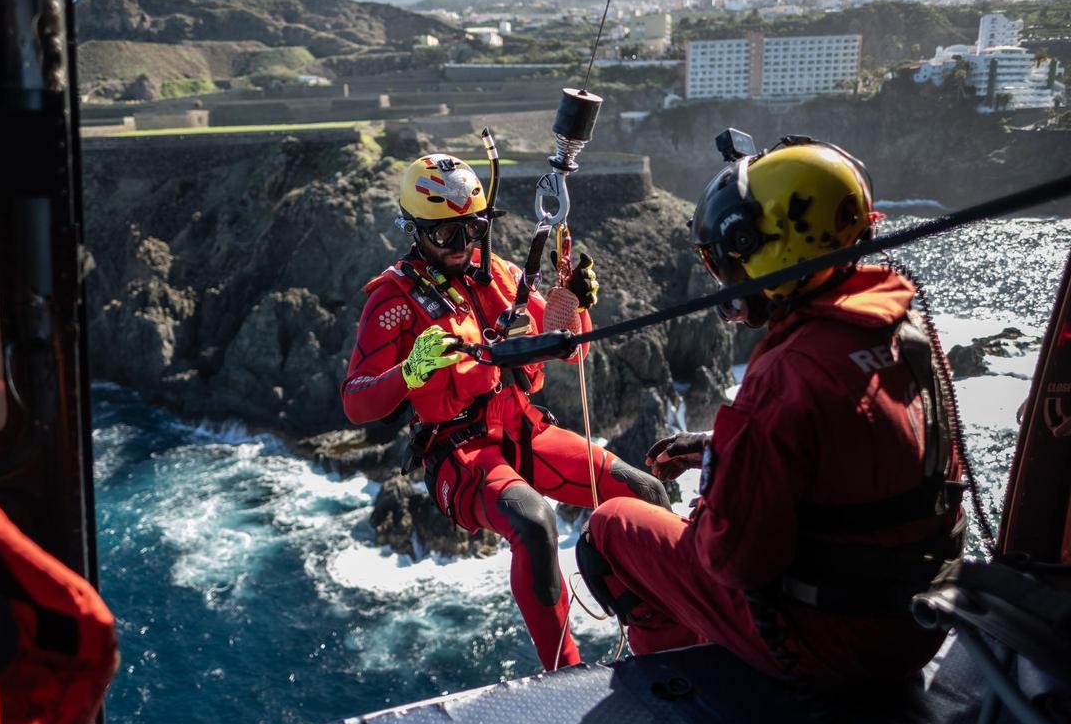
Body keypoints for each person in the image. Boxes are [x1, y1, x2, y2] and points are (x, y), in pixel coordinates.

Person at [576, 137, 966, 687]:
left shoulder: (787, 373)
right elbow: (853, 460)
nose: (727, 285)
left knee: (609, 530)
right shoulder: (904, 332)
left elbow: (731, 560)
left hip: (834, 643)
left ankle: (682, 692)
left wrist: (721, 483)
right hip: (921, 627)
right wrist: (721, 449)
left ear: (772, 250)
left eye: (729, 262)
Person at [342, 153, 669, 670]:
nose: (461, 247)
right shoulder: (394, 301)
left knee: (645, 492)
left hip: (521, 428)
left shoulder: (497, 274)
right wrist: (409, 371)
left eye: (469, 231)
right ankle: (564, 671)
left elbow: (574, 347)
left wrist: (573, 304)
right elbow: (357, 401)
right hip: (459, 453)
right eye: (445, 236)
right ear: (415, 231)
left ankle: (671, 642)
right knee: (535, 524)